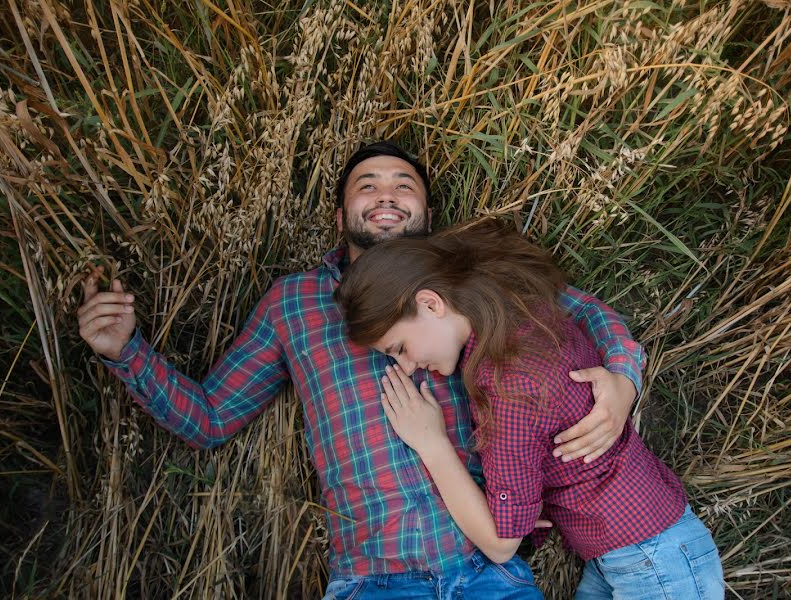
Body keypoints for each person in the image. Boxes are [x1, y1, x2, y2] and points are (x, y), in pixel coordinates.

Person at [77, 142, 648, 598]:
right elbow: (209, 419)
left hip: (490, 572)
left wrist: (622, 380)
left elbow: (588, 316)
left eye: (405, 185)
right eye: (366, 184)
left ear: (426, 211)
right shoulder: (293, 303)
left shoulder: (467, 274)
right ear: (340, 213)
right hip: (374, 580)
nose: (387, 195)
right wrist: (125, 352)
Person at [333, 219, 725, 600]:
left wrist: (430, 443)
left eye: (399, 348)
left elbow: (502, 545)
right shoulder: (517, 308)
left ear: (430, 303)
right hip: (636, 548)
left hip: (652, 560)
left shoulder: (509, 385)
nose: (406, 366)